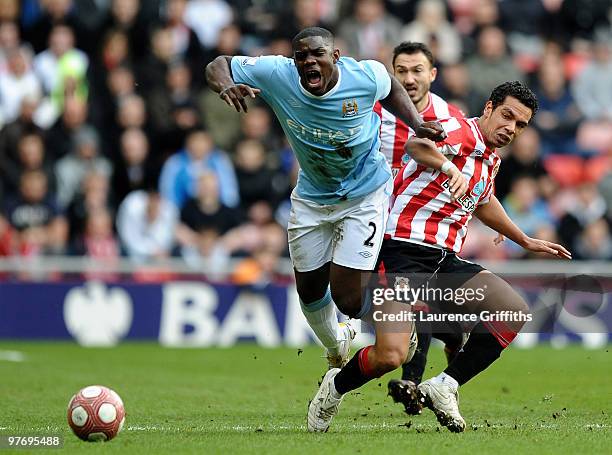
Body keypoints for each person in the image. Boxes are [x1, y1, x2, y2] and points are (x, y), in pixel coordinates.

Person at [307, 81, 571, 433]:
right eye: (507, 116)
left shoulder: (490, 157)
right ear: (490, 108)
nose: (511, 128)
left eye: (521, 125)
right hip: (402, 252)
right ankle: (334, 389)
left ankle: (445, 385)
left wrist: (522, 238)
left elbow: (484, 200)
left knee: (512, 311)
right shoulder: (460, 128)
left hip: (443, 260)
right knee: (390, 356)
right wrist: (450, 168)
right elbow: (417, 144)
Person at [205, 27, 445, 369]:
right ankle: (337, 347)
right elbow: (219, 63)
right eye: (301, 56)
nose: (308, 61)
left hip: (365, 192)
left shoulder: (363, 75)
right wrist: (226, 84)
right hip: (312, 195)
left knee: (347, 297)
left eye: (317, 53)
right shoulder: (276, 73)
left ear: (335, 56)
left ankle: (406, 319)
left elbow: (390, 85)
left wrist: (417, 122)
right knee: (310, 291)